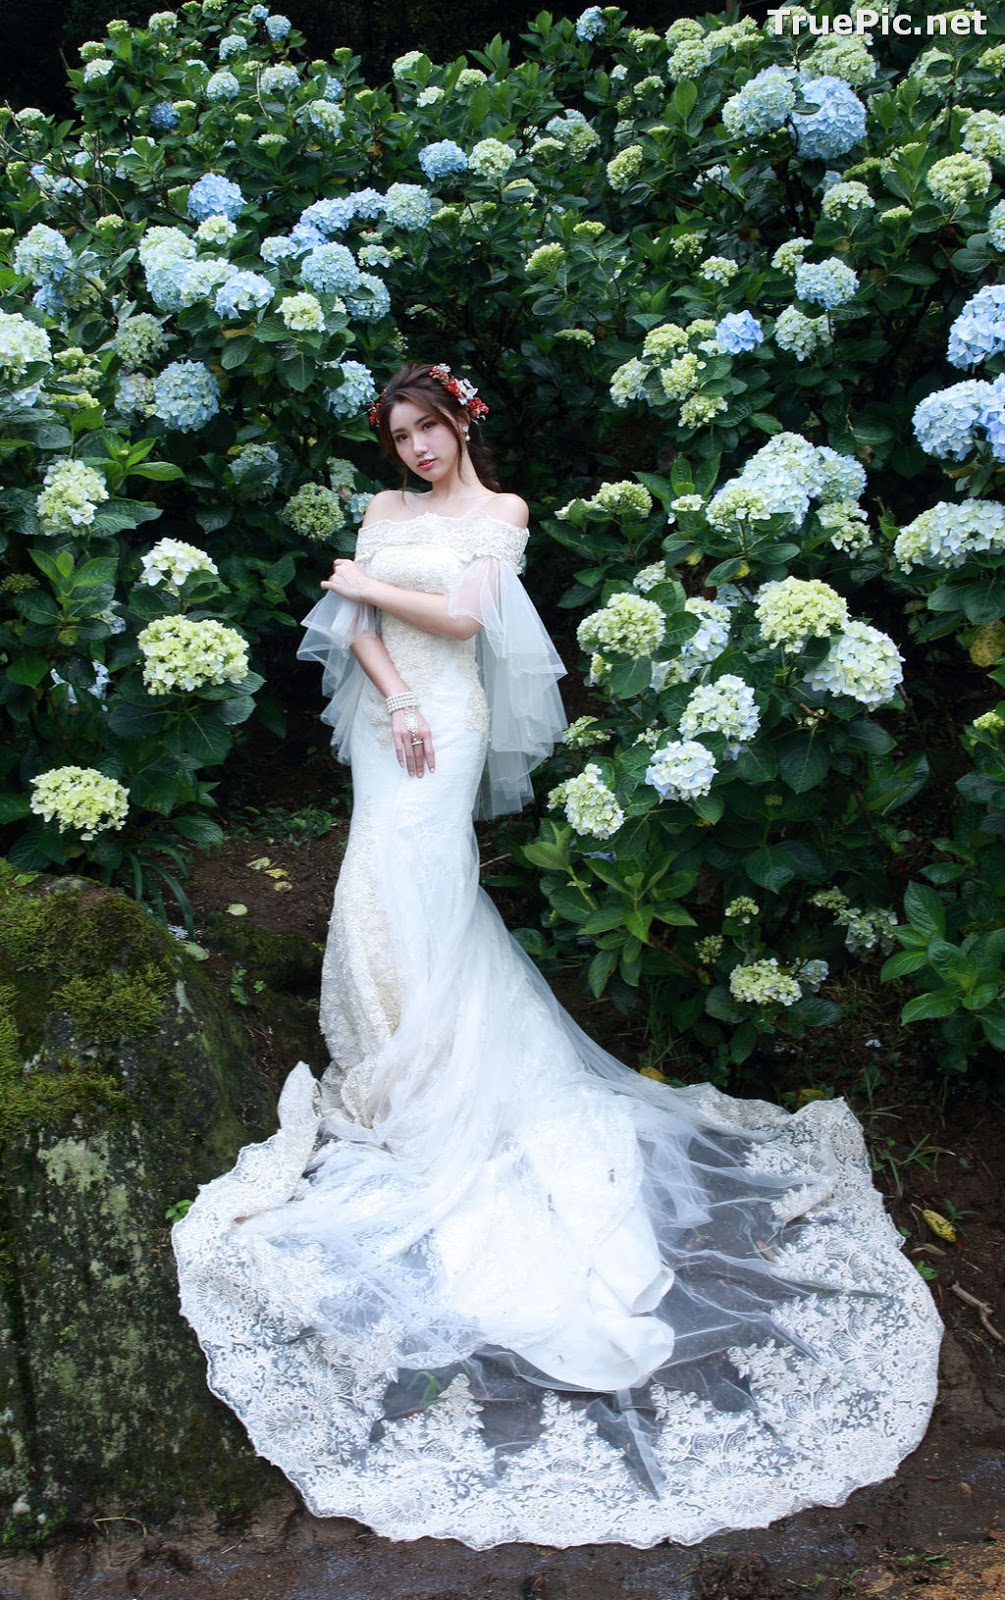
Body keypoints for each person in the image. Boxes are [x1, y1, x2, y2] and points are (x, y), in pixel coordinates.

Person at [173, 362, 942, 1551]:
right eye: (399, 435)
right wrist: (388, 679)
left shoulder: (500, 515)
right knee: (372, 877)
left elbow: (467, 621)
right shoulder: (383, 517)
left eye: (428, 429)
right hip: (398, 719)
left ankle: (439, 1058)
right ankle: (385, 1047)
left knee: (421, 879)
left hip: (455, 713)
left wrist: (375, 598)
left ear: (460, 427)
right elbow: (365, 626)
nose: (415, 450)